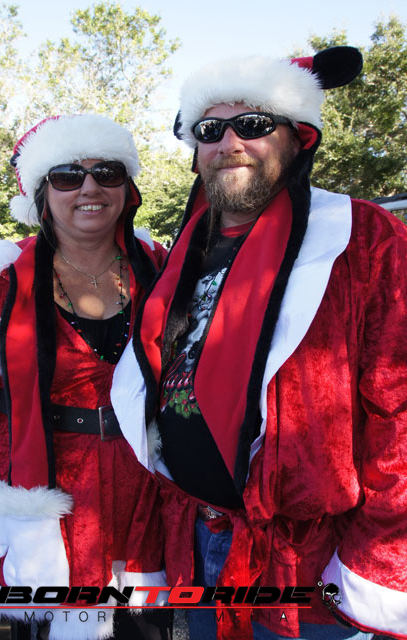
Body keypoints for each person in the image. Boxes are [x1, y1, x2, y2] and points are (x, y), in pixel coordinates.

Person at [110, 47, 407, 640]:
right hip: (197, 533)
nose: (230, 143)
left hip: (306, 559)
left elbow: (398, 410)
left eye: (252, 124)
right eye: (210, 130)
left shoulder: (360, 236)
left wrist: (378, 556)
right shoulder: (187, 244)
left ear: (298, 136)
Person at [0, 114, 171, 640]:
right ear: (43, 193)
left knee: (142, 627)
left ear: (127, 187)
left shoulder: (155, 265)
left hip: (140, 487)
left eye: (106, 172)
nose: (89, 188)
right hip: (43, 492)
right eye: (67, 176)